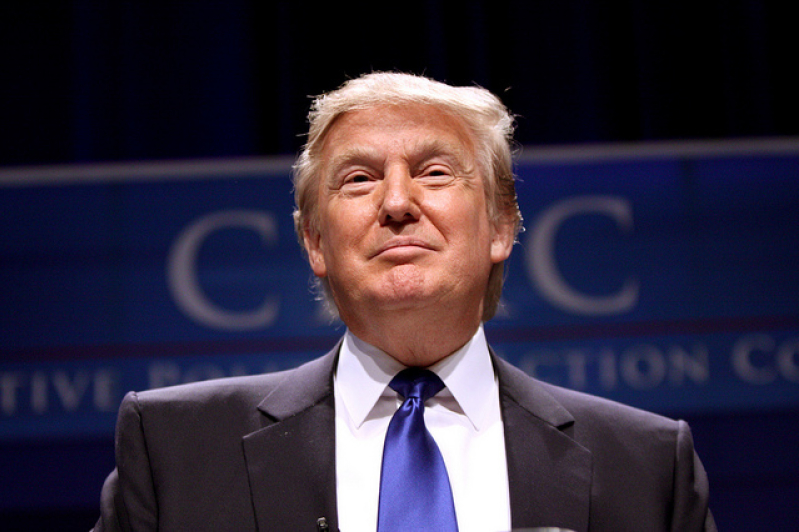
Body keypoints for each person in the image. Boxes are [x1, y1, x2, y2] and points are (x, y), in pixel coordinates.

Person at [92, 72, 715, 531]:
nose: (396, 202)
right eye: (359, 178)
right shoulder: (176, 449)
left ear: (500, 226)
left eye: (436, 172)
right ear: (314, 241)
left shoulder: (646, 467)